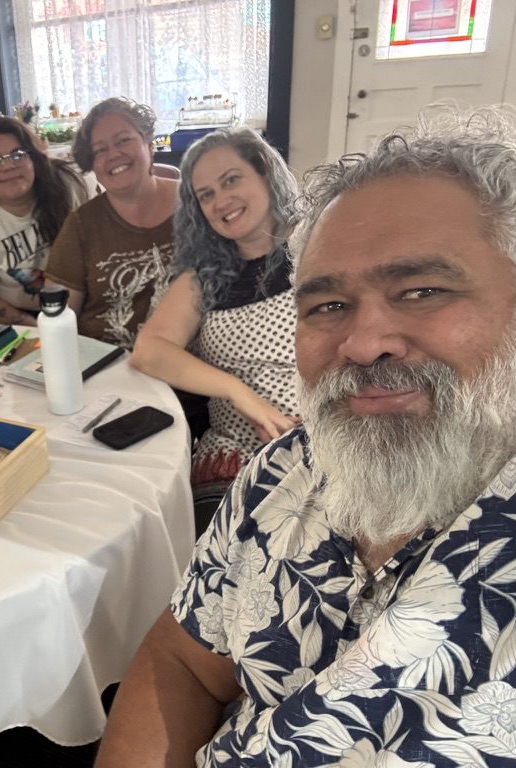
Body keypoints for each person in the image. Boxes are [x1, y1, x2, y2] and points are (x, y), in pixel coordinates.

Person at [94, 103, 516, 766]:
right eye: (327, 306)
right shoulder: (279, 474)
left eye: (422, 290)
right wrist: (238, 394)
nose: (364, 342)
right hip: (252, 444)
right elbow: (180, 655)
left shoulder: (308, 249)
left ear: (267, 175)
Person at [130, 127, 300, 522]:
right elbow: (149, 350)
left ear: (265, 174)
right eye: (206, 195)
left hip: (329, 437)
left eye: (232, 180)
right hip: (233, 453)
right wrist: (239, 393)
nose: (221, 200)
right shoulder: (202, 277)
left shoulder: (318, 246)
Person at [45, 97, 179, 349]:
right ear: (92, 164)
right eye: (100, 150)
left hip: (191, 369)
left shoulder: (195, 203)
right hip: (108, 370)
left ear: (149, 144)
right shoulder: (80, 226)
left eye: (123, 140)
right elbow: (58, 323)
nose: (114, 155)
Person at [0, 116, 88, 325]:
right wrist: (40, 328)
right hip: (25, 320)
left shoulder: (68, 185)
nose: (7, 167)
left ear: (34, 158)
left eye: (17, 155)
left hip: (89, 305)